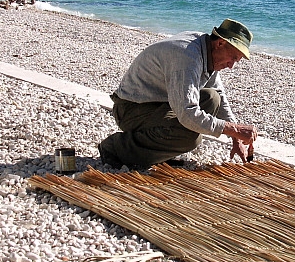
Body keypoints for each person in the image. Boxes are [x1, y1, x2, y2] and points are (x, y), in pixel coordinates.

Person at [98, 18, 258, 169]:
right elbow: (187, 114)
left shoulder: (207, 50)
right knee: (190, 139)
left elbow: (218, 94)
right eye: (233, 58)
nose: (231, 66)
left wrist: (236, 137)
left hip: (160, 104)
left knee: (211, 98)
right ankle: (115, 147)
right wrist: (231, 129)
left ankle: (161, 149)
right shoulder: (187, 57)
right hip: (131, 109)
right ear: (221, 43)